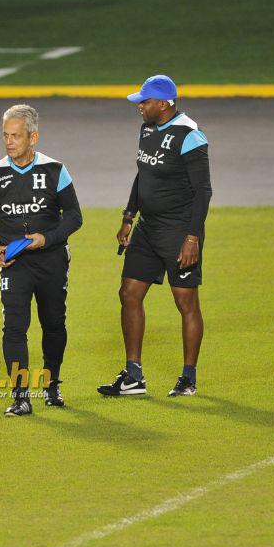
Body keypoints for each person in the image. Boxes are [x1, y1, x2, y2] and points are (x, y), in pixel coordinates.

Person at [98, 75, 213, 398]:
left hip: (178, 231)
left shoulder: (190, 135)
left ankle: (188, 378)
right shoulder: (148, 128)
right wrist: (128, 216)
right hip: (148, 228)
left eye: (145, 102)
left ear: (163, 104)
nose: (140, 107)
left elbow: (203, 191)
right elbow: (143, 174)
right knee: (129, 293)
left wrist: (193, 238)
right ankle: (133, 376)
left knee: (185, 302)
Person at [0, 104, 83, 416]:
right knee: (13, 327)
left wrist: (46, 239)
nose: (9, 142)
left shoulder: (54, 171)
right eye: (5, 136)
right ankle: (20, 396)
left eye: (16, 136)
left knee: (53, 324)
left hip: (51, 260)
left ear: (33, 137)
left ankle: (51, 386)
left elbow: (75, 216)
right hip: (15, 263)